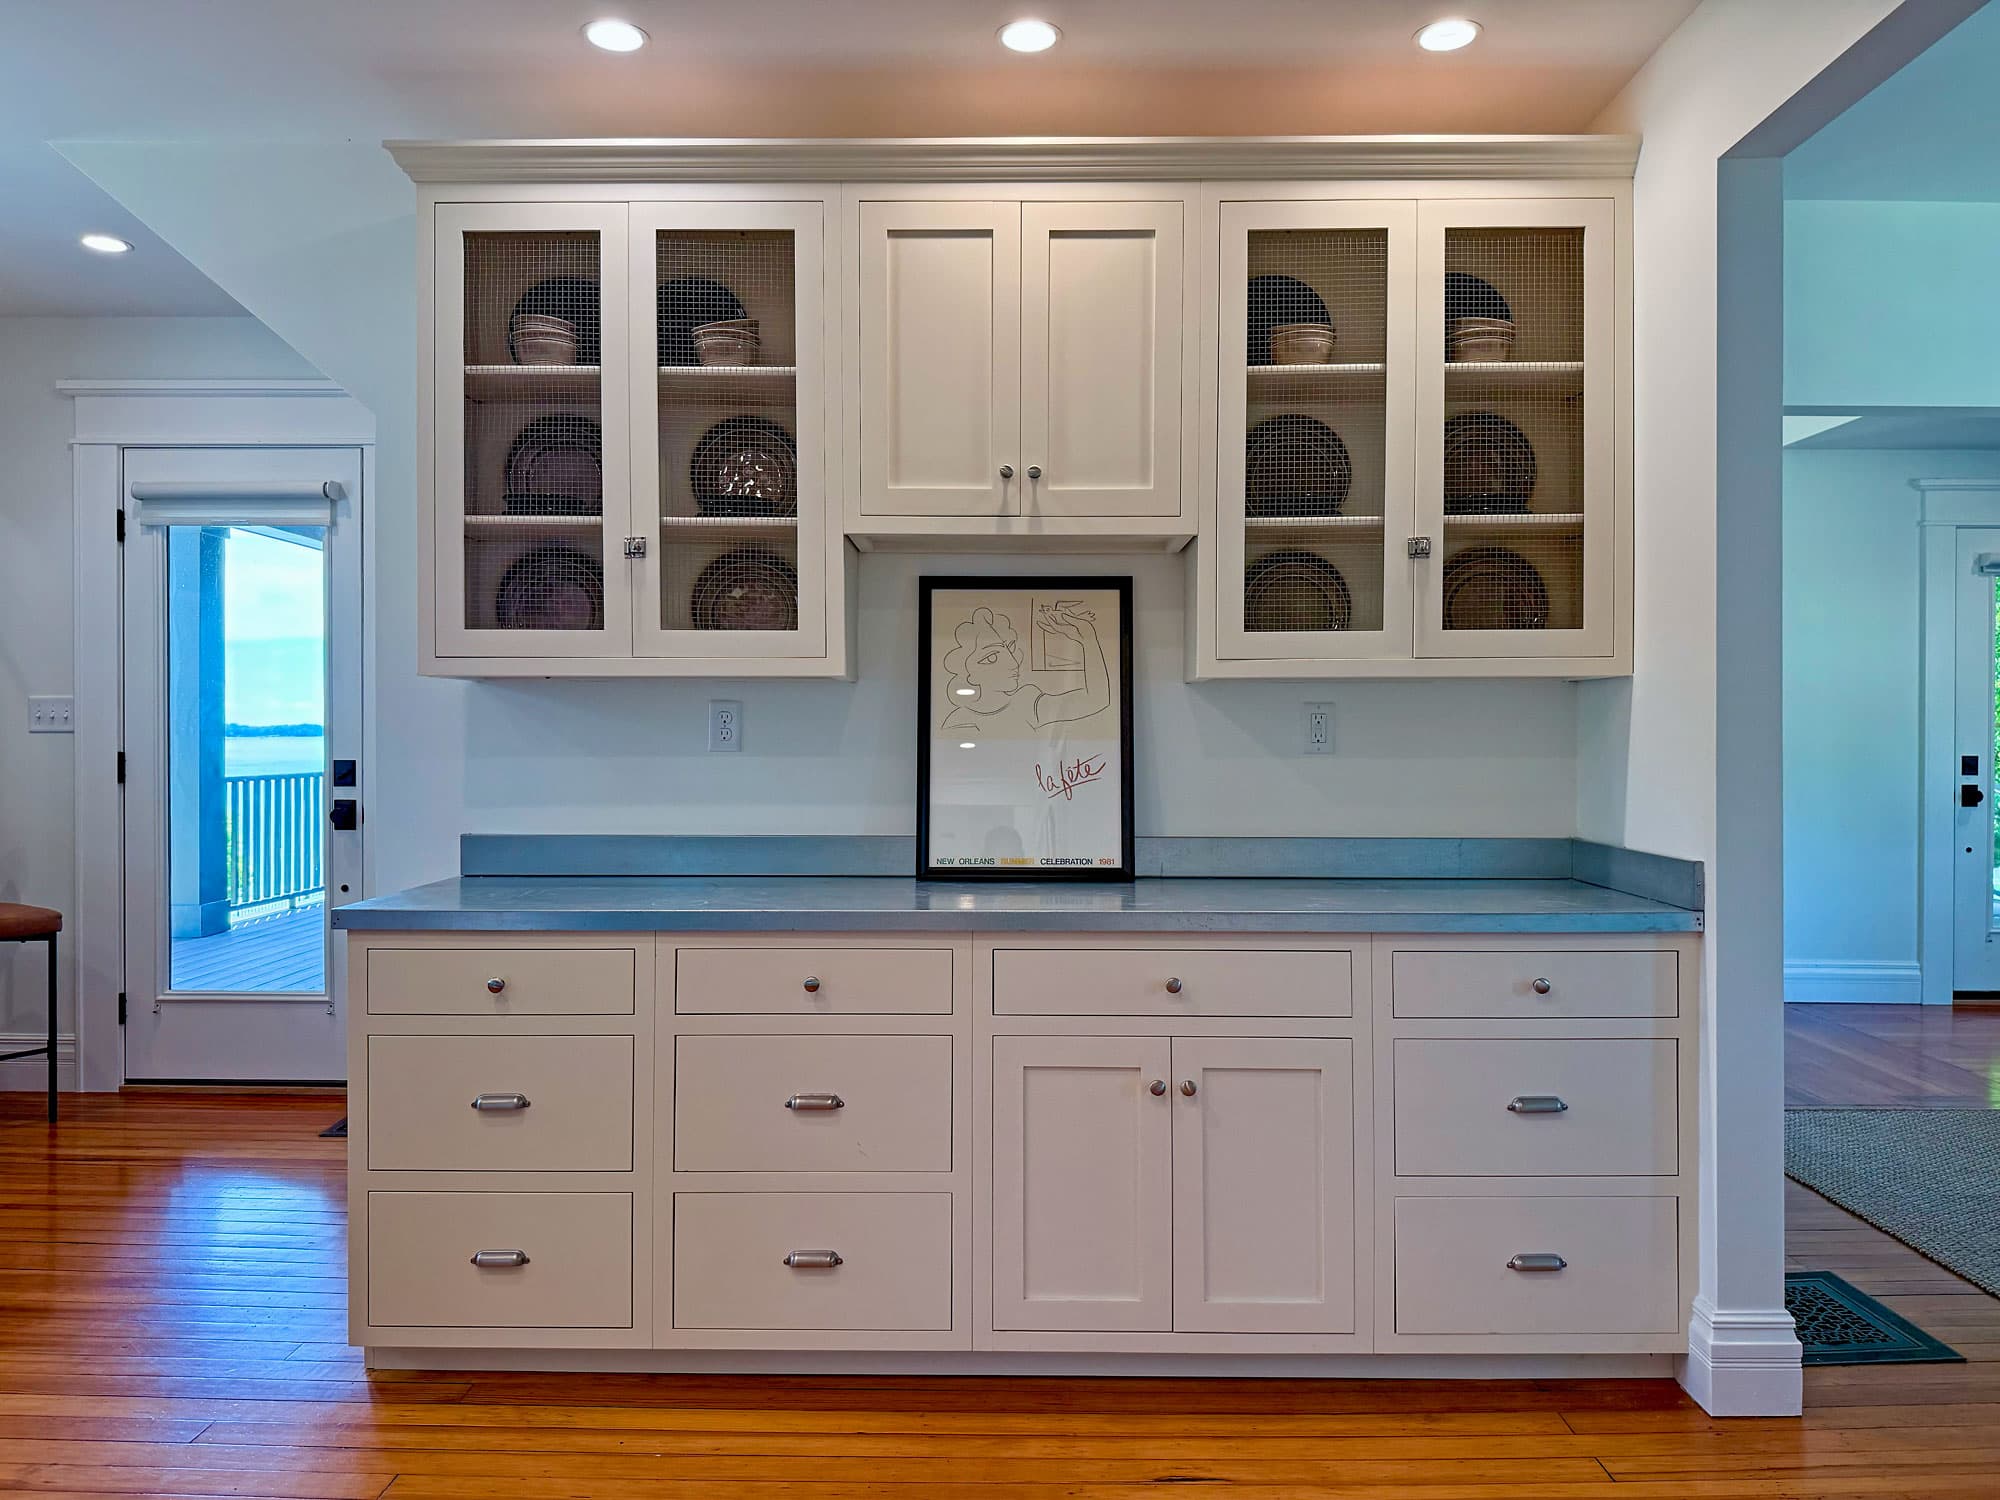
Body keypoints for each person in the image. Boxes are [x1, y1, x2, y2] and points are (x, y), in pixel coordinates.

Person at [939, 601, 1109, 736]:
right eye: (992, 657)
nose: (1013, 663)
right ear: (970, 675)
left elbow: (1096, 700)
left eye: (1010, 648)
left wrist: (1088, 638)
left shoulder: (1024, 702)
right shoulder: (959, 721)